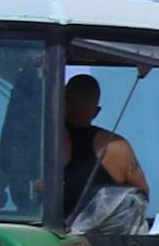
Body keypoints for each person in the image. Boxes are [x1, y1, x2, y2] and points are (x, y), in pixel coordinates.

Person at [56, 74, 147, 227]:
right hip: (108, 242)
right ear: (96, 111)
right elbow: (142, 195)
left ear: (63, 103)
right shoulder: (117, 146)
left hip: (55, 236)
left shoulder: (46, 140)